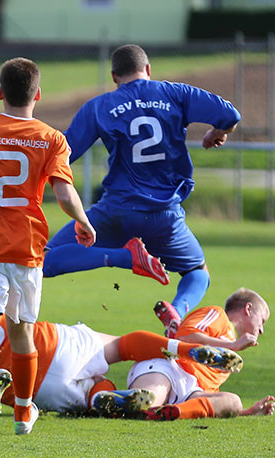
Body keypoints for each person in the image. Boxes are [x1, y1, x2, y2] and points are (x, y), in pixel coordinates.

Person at [0, 57, 96, 435]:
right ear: (38, 94)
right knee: (21, 330)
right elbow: (64, 191)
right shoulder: (51, 138)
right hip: (26, 250)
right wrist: (83, 221)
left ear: (0, 93)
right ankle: (24, 412)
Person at [0, 254, 243, 417]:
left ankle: (109, 397)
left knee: (92, 392)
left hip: (33, 388)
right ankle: (183, 348)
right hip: (49, 343)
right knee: (120, 346)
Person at [42, 44, 241, 338]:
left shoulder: (100, 106)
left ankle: (123, 258)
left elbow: (63, 156)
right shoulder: (176, 93)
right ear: (148, 70)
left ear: (114, 76)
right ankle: (177, 310)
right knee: (198, 272)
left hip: (117, 212)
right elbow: (230, 114)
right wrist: (219, 131)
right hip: (165, 216)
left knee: (46, 260)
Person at [94, 288, 275, 421]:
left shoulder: (232, 358)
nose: (262, 329)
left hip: (190, 390)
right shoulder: (218, 315)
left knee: (233, 401)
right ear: (248, 308)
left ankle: (171, 412)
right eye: (262, 320)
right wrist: (232, 345)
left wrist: (248, 412)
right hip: (169, 367)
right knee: (148, 398)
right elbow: (184, 337)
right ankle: (112, 399)